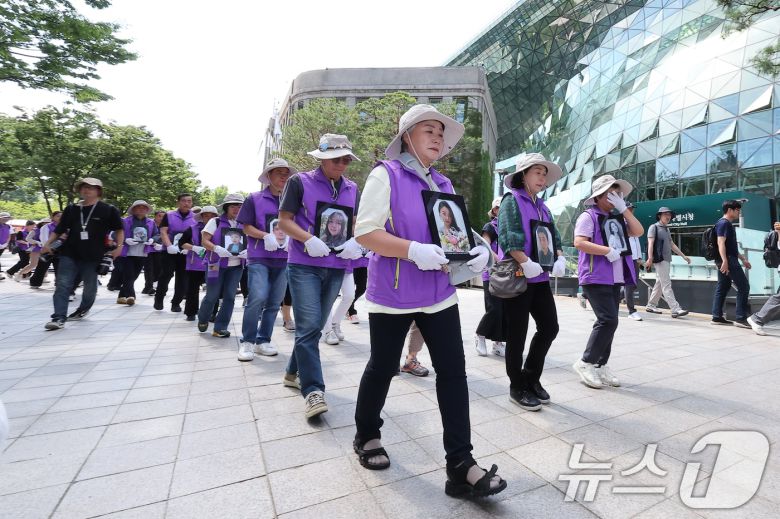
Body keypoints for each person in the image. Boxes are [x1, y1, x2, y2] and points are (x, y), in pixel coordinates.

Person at [353, 104, 503, 498]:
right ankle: (367, 434)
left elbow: (453, 229)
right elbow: (366, 233)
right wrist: (412, 250)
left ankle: (461, 464)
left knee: (453, 374)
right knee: (383, 367)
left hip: (439, 294)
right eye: (428, 131)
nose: (438, 138)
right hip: (394, 292)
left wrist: (478, 248)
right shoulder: (384, 174)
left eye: (441, 132)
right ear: (407, 137)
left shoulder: (444, 183)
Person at [279, 133, 364, 417]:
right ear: (323, 158)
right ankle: (313, 390)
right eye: (337, 159)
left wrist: (357, 242)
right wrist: (307, 239)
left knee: (313, 327)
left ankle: (292, 372)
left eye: (346, 159)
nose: (342, 164)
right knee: (309, 326)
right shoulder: (299, 182)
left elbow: (356, 223)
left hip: (337, 266)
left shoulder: (352, 188)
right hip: (304, 264)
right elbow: (284, 221)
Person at [498, 153, 566, 410]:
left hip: (540, 277)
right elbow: (507, 236)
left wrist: (559, 257)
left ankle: (531, 377)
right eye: (537, 172)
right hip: (518, 275)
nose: (542, 177)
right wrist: (524, 261)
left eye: (544, 173)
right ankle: (516, 386)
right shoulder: (511, 201)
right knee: (517, 333)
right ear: (522, 175)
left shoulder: (543, 206)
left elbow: (554, 237)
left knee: (550, 327)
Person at [572, 175, 643, 389]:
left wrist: (623, 209)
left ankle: (601, 365)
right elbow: (579, 243)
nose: (616, 196)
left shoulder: (618, 217)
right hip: (596, 276)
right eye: (611, 193)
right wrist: (607, 250)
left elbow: (638, 231)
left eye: (618, 193)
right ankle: (586, 362)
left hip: (615, 276)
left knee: (610, 323)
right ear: (599, 196)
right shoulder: (588, 216)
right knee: (608, 320)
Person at [42, 178, 123, 329]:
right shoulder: (71, 209)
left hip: (94, 254)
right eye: (84, 187)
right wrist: (48, 243)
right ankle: (58, 318)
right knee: (62, 284)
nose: (87, 190)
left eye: (91, 188)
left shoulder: (108, 209)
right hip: (69, 252)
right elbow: (59, 229)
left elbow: (119, 229)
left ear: (98, 191)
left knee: (90, 286)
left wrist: (119, 247)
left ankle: (83, 308)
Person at [237, 158, 295, 360]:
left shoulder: (294, 201)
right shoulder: (254, 198)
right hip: (259, 256)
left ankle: (264, 340)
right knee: (257, 297)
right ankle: (247, 341)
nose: (282, 176)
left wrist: (293, 238)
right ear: (268, 176)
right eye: (278, 172)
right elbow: (245, 226)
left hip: (285, 258)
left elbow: (300, 226)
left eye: (286, 173)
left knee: (274, 301)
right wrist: (265, 236)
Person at [197, 194, 246, 337]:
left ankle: (220, 327)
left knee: (230, 296)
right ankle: (203, 318)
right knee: (212, 295)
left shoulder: (245, 223)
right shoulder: (215, 221)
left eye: (240, 206)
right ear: (226, 207)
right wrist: (217, 249)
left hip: (236, 266)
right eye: (233, 206)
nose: (237, 209)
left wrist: (248, 251)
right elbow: (204, 241)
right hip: (215, 264)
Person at [644, 206, 690, 318]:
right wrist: (650, 258)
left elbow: (672, 245)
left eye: (669, 215)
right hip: (660, 260)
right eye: (665, 214)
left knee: (660, 283)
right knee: (666, 284)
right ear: (659, 216)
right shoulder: (653, 227)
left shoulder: (666, 229)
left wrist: (683, 256)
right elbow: (650, 243)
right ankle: (675, 309)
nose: (668, 217)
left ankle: (651, 305)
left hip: (666, 259)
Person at [711, 199, 751, 327]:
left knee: (723, 286)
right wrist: (725, 261)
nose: (739, 212)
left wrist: (743, 259)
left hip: (728, 258)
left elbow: (731, 247)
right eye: (737, 210)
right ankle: (740, 318)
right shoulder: (724, 223)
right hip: (727, 259)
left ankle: (716, 317)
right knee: (744, 287)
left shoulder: (726, 224)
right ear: (730, 210)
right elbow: (720, 242)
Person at [475, 197, 506, 357]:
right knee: (493, 309)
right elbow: (485, 246)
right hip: (492, 273)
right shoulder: (490, 227)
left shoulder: (509, 228)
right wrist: (499, 260)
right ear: (494, 210)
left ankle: (498, 343)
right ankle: (480, 335)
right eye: (500, 207)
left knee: (504, 310)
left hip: (508, 275)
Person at [154, 193, 195, 312]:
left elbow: (196, 234)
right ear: (178, 202)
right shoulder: (169, 215)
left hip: (185, 252)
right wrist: (169, 246)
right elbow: (163, 231)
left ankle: (176, 303)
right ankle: (159, 299)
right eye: (183, 201)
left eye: (189, 201)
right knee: (166, 274)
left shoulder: (195, 217)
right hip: (169, 251)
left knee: (183, 278)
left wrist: (190, 247)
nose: (186, 203)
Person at [115, 201, 157, 306]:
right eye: (138, 207)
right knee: (129, 275)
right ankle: (131, 296)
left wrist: (152, 240)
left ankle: (121, 296)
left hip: (142, 252)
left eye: (144, 207)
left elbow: (157, 234)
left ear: (147, 210)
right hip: (127, 252)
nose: (141, 209)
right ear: (133, 209)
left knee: (134, 275)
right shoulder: (125, 221)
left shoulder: (151, 222)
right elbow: (114, 234)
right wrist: (125, 239)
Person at [179, 205, 216, 321]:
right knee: (192, 289)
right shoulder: (192, 228)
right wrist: (194, 248)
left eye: (212, 216)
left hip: (213, 264)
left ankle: (212, 313)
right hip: (195, 263)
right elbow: (182, 243)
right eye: (206, 216)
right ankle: (191, 312)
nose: (209, 218)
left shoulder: (220, 228)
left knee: (213, 289)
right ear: (202, 217)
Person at [29, 211, 63, 288]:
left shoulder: (64, 226)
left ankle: (59, 284)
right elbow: (43, 238)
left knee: (60, 268)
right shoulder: (47, 226)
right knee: (42, 267)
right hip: (47, 250)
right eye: (58, 216)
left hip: (60, 250)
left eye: (62, 216)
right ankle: (35, 283)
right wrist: (48, 247)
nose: (60, 217)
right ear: (53, 217)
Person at [623, 202, 644, 321]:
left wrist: (639, 257)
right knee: (630, 284)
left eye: (632, 209)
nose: (631, 211)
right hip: (625, 258)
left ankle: (614, 300)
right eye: (629, 209)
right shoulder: (621, 223)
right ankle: (631, 311)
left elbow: (636, 242)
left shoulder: (633, 223)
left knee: (633, 284)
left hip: (635, 259)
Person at [142, 209, 166, 295]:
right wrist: (153, 242)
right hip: (148, 249)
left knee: (158, 268)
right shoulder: (149, 223)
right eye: (159, 216)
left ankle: (153, 284)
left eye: (163, 216)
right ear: (155, 216)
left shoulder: (167, 226)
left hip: (160, 250)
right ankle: (149, 287)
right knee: (148, 268)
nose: (161, 218)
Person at [0, 211, 11, 280]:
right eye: (4, 218)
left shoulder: (8, 226)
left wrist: (6, 243)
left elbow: (8, 235)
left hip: (3, 245)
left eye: (7, 218)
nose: (6, 219)